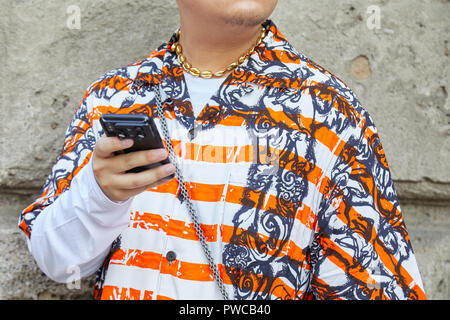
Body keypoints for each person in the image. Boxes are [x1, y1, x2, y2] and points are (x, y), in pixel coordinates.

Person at [18, 0, 427, 300]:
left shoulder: (328, 114)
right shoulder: (114, 97)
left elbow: (377, 288)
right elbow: (58, 263)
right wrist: (99, 195)